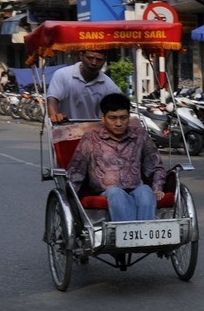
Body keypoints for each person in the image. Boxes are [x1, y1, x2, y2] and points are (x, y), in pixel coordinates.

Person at [65, 92, 166, 222]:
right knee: (116, 193)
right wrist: (70, 197)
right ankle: (129, 238)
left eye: (123, 118)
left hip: (136, 189)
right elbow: (76, 170)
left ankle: (144, 236)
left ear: (129, 117)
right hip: (107, 193)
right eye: (113, 118)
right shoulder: (91, 138)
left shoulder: (140, 135)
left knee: (146, 191)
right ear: (103, 117)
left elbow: (156, 165)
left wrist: (157, 188)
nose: (118, 123)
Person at [47, 49, 119, 123]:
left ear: (104, 61)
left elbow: (120, 106)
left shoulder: (109, 85)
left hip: (94, 131)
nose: (94, 63)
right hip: (65, 129)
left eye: (99, 60)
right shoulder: (62, 75)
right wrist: (54, 115)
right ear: (81, 56)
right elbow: (52, 99)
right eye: (90, 58)